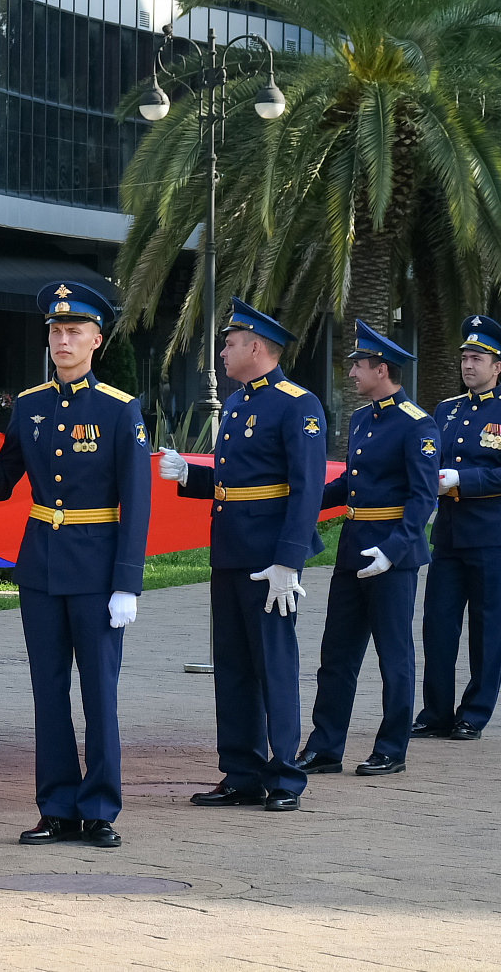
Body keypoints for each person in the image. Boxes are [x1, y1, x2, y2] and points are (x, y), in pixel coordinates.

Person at [0, 281, 148, 849]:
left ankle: (99, 809)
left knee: (99, 694)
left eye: (74, 332)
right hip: (41, 566)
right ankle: (57, 808)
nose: (63, 341)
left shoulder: (120, 411)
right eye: (56, 331)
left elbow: (136, 503)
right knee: (49, 693)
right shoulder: (31, 405)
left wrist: (127, 584)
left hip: (96, 571)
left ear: (97, 340)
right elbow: (1, 487)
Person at [159, 298, 327, 813]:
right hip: (230, 550)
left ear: (257, 347)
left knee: (274, 666)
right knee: (232, 667)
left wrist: (289, 562)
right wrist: (191, 475)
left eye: (229, 344)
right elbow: (236, 483)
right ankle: (241, 772)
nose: (222, 354)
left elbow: (306, 489)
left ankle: (285, 776)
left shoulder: (298, 404)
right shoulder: (234, 405)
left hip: (270, 558)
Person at [295, 321, 437, 779]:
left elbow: (423, 497)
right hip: (354, 548)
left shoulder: (418, 424)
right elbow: (349, 484)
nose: (351, 372)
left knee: (394, 656)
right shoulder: (361, 418)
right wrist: (301, 501)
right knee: (336, 655)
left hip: (392, 557)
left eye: (358, 364)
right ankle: (325, 746)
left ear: (381, 368)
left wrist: (394, 550)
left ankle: (391, 747)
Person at [416, 315, 501, 741]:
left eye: (478, 358)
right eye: (465, 357)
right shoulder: (446, 410)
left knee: (487, 628)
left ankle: (474, 713)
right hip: (449, 535)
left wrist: (460, 481)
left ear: (497, 366)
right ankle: (435, 712)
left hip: (494, 536)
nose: (468, 365)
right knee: (438, 624)